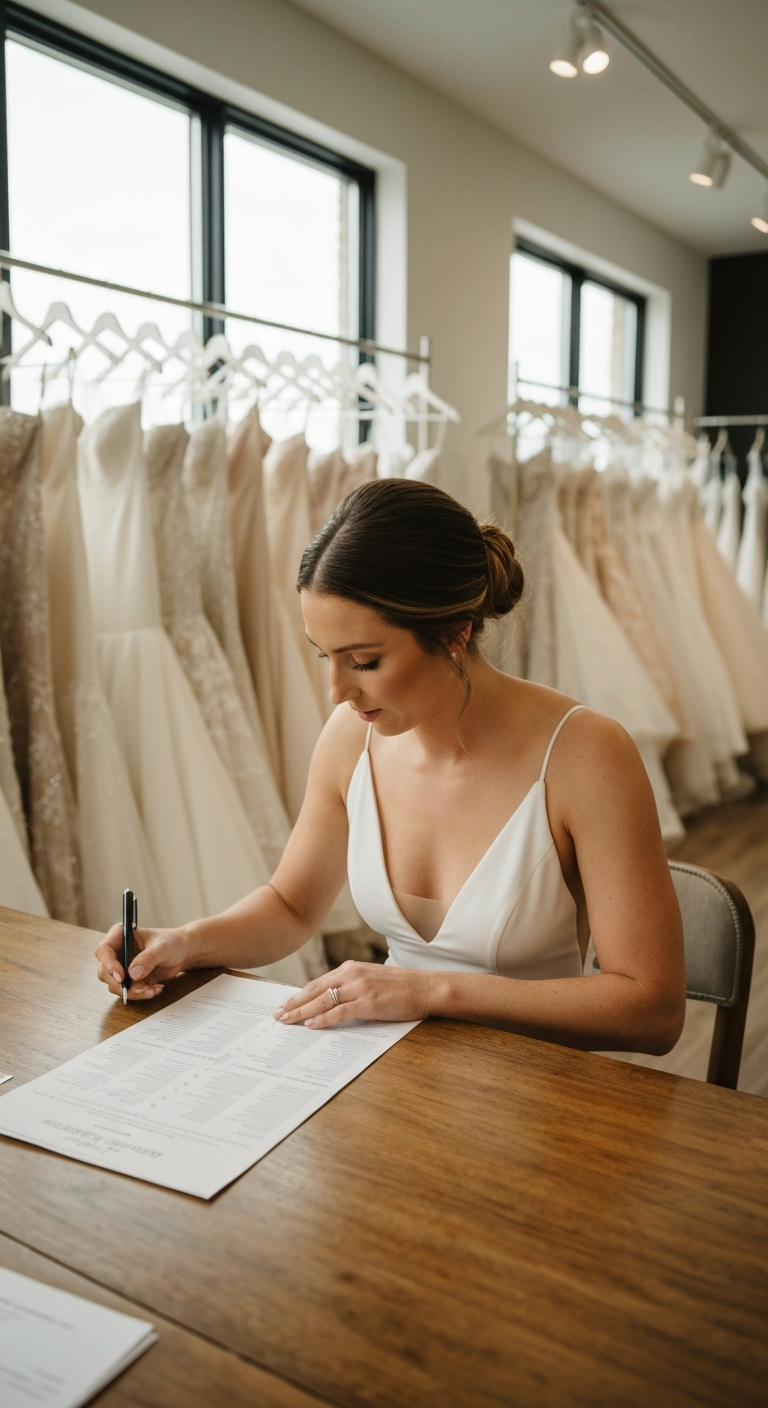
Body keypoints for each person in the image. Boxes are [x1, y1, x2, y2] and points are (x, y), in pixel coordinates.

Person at [95, 478, 685, 1054]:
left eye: (365, 661)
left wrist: (431, 990)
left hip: (537, 1090)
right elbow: (291, 905)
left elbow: (652, 1010)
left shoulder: (587, 756)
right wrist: (183, 942)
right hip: (389, 1072)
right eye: (325, 657)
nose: (336, 692)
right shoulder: (351, 740)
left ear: (455, 632)